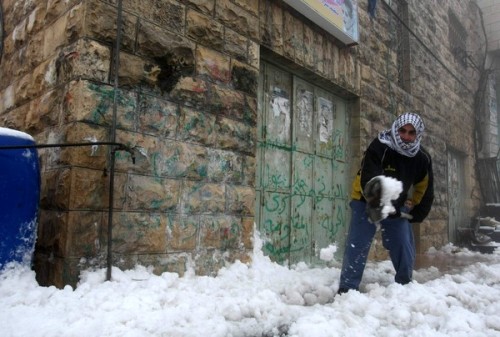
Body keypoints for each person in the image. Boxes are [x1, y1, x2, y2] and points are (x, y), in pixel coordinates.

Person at [337, 112, 434, 294]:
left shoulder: (422, 158)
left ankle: (405, 286)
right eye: (402, 130)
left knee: (403, 243)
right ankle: (347, 288)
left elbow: (425, 187)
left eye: (411, 133)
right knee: (358, 243)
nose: (405, 136)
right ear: (396, 128)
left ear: (417, 135)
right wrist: (379, 201)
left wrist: (416, 210)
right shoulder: (380, 146)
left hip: (397, 203)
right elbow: (369, 175)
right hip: (366, 198)